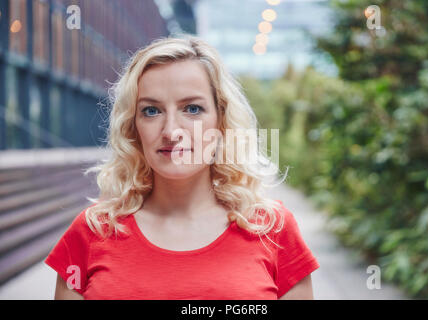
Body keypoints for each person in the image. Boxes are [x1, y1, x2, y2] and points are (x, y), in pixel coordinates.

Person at [45, 35, 319, 300]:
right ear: (133, 127)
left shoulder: (272, 229)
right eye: (151, 111)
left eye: (192, 109)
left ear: (220, 120)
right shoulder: (92, 231)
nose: (171, 131)